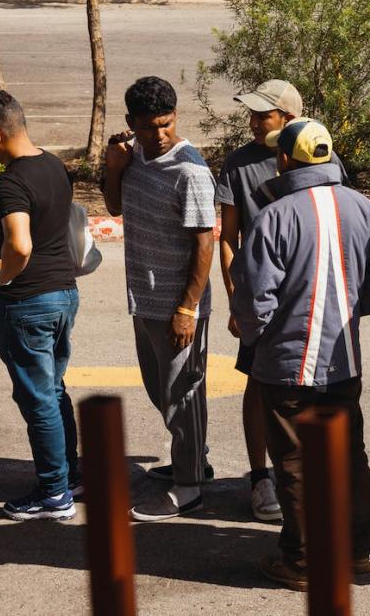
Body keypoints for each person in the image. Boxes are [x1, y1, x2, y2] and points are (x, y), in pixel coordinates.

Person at [230, 118, 370, 590]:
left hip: (287, 365)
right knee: (350, 456)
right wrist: (351, 311)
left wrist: (259, 337)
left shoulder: (274, 216)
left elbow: (253, 297)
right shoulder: (362, 207)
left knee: (296, 464)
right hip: (343, 359)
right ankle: (358, 550)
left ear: (285, 159)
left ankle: (301, 562)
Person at [220, 79, 348, 523]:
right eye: (252, 115)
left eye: (264, 115)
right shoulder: (238, 164)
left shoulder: (319, 153)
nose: (254, 123)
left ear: (289, 120)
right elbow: (228, 237)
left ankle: (307, 479)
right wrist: (238, 301)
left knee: (314, 391)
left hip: (313, 302)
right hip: (262, 298)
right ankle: (261, 478)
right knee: (258, 386)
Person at [103, 76, 215, 522]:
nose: (159, 134)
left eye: (166, 124)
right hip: (144, 298)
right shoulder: (132, 158)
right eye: (149, 126)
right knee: (161, 391)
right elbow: (114, 207)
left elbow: (205, 243)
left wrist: (187, 308)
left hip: (176, 306)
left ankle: (190, 488)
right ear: (131, 123)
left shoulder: (190, 170)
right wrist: (114, 166)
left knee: (182, 394)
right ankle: (193, 462)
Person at [0, 91, 82, 521]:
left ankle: (53, 493)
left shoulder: (10, 183)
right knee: (53, 389)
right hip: (64, 294)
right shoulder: (52, 164)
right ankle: (69, 474)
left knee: (38, 400)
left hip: (27, 302)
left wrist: (2, 275)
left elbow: (20, 244)